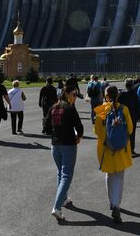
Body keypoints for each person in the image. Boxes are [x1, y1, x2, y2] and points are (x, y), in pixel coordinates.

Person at [94, 86, 133, 224]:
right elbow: (130, 128)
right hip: (121, 149)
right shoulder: (124, 109)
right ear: (117, 96)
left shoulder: (101, 111)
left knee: (109, 175)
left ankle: (111, 202)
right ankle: (117, 204)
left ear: (106, 96)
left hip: (106, 149)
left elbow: (97, 132)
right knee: (119, 177)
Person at [45, 85, 84, 221]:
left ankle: (64, 198)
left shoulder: (53, 107)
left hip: (55, 145)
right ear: (67, 94)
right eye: (74, 94)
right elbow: (79, 126)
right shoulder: (70, 108)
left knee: (60, 173)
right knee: (66, 175)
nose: (75, 97)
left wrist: (57, 131)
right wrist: (78, 136)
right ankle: (56, 207)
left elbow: (46, 127)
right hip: (68, 144)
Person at [118, 78, 139, 156]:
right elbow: (137, 105)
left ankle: (123, 149)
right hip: (132, 115)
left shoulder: (121, 94)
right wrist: (139, 116)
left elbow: (117, 105)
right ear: (132, 84)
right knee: (132, 133)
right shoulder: (134, 93)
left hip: (122, 116)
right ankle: (131, 150)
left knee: (123, 133)